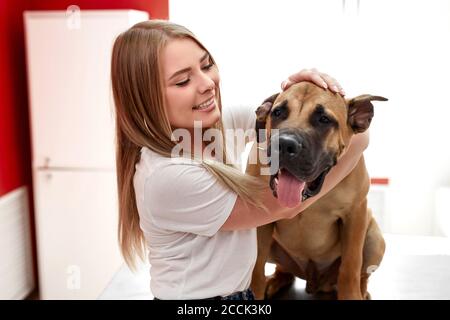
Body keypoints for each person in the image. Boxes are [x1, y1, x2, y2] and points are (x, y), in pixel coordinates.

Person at [110, 20, 369, 300]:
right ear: (146, 100)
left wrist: (316, 92)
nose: (207, 84)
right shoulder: (165, 176)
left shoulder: (219, 126)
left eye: (206, 65)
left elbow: (353, 136)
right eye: (183, 80)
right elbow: (283, 207)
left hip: (239, 296)